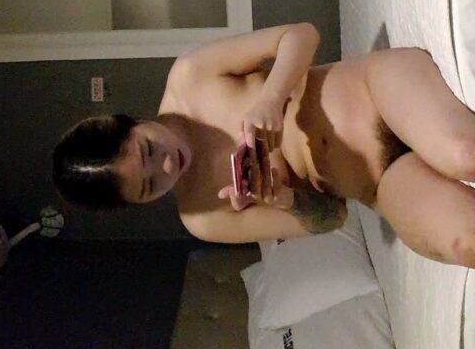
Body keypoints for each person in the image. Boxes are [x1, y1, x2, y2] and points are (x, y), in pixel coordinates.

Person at [53, 23, 475, 266]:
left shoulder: (191, 76)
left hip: (374, 90)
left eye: (148, 149)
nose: (166, 167)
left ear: (133, 122)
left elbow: (301, 34)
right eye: (151, 186)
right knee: (461, 239)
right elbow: (332, 218)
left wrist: (272, 98)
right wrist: (283, 199)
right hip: (382, 182)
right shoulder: (203, 218)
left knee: (462, 154)